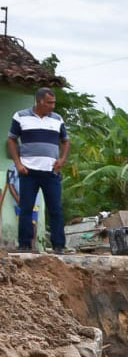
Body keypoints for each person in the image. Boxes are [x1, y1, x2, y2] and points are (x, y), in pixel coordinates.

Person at [7, 87, 69, 253]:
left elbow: (65, 141)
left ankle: (59, 246)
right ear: (39, 101)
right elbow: (12, 140)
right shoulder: (20, 116)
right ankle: (25, 245)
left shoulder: (57, 119)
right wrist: (18, 164)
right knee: (26, 208)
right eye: (49, 102)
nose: (52, 106)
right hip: (28, 172)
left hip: (51, 172)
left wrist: (61, 160)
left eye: (54, 102)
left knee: (55, 209)